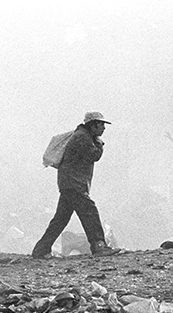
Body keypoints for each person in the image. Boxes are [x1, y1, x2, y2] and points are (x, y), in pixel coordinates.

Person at [32, 111, 119, 258]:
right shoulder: (82, 137)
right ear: (93, 125)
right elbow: (94, 155)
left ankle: (41, 249)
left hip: (69, 183)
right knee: (90, 212)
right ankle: (99, 246)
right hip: (74, 184)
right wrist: (99, 144)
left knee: (61, 219)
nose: (104, 128)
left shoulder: (83, 135)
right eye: (101, 124)